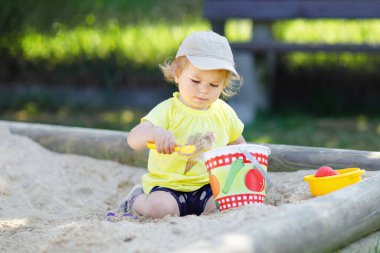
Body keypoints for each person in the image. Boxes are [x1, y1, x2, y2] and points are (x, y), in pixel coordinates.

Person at [122, 30, 246, 218]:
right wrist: (155, 133)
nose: (204, 90)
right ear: (178, 74)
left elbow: (238, 144)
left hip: (209, 184)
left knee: (226, 203)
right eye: (195, 81)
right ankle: (135, 198)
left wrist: (245, 157)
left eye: (214, 85)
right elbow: (133, 139)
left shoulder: (224, 113)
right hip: (169, 187)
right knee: (160, 209)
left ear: (224, 84)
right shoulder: (168, 110)